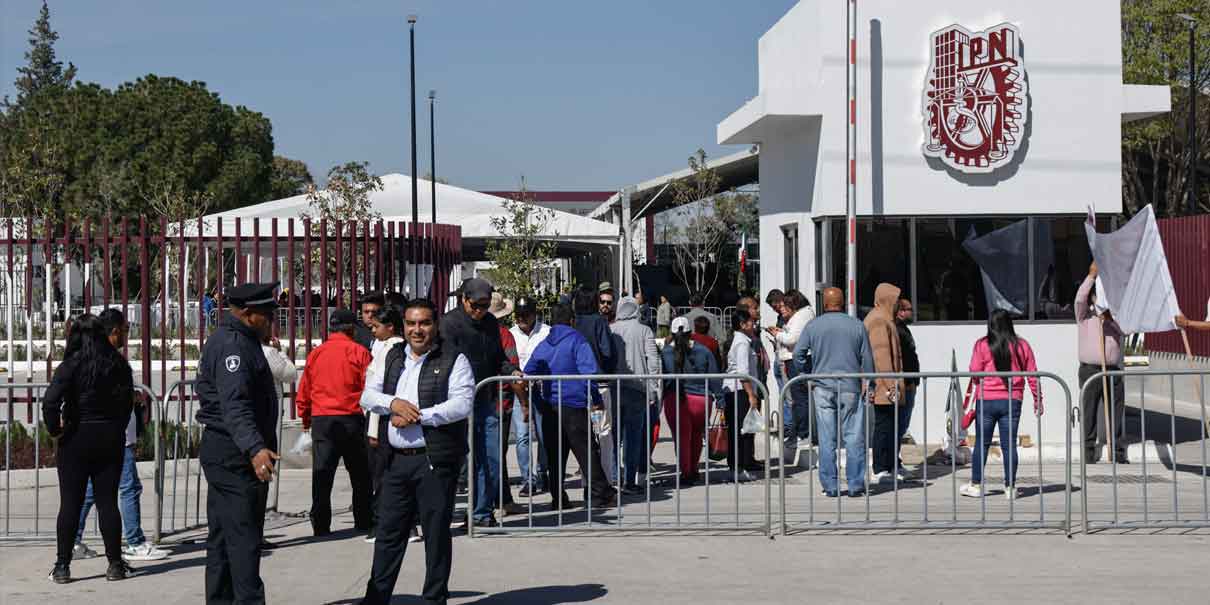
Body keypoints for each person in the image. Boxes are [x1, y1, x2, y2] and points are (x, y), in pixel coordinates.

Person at [359, 299, 474, 605]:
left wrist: (419, 415)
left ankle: (435, 598)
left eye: (423, 323)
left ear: (435, 325)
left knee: (435, 536)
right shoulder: (393, 356)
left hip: (433, 461)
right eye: (411, 323)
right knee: (388, 535)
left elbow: (462, 403)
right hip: (395, 462)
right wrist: (393, 404)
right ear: (404, 326)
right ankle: (376, 598)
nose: (417, 330)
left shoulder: (453, 358)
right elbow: (368, 395)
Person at [195, 282, 283, 604]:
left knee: (222, 538)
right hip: (234, 455)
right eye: (267, 315)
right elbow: (235, 405)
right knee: (244, 541)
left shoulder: (238, 340)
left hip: (225, 451)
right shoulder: (234, 346)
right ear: (248, 314)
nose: (271, 321)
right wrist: (255, 449)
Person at [45, 313, 138, 584]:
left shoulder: (71, 365)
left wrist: (55, 430)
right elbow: (127, 404)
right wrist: (116, 428)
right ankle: (115, 564)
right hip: (109, 438)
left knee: (70, 504)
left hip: (75, 438)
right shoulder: (118, 364)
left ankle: (62, 566)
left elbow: (50, 402)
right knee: (108, 502)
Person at [73, 310, 169, 564]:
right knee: (129, 487)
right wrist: (129, 397)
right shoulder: (109, 360)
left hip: (109, 435)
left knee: (93, 490)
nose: (127, 334)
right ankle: (134, 541)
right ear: (114, 331)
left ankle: (73, 538)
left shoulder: (94, 356)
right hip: (116, 436)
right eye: (125, 329)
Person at [440, 278, 518, 528]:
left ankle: (482, 512)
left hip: (486, 401)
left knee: (490, 458)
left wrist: (512, 370)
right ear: (464, 299)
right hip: (457, 404)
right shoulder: (449, 324)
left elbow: (497, 357)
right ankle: (443, 512)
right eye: (476, 305)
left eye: (485, 306)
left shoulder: (491, 324)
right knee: (457, 462)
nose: (480, 311)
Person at [524, 304, 618, 510]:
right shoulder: (577, 340)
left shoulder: (544, 344)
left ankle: (558, 498)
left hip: (550, 406)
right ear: (572, 320)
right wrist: (595, 398)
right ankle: (599, 494)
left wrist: (539, 398)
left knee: (555, 455)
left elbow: (528, 371)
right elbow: (589, 372)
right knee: (587, 452)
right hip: (574, 405)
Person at [295, 309, 374, 537]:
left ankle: (320, 524)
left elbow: (305, 391)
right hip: (351, 419)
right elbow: (370, 387)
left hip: (322, 420)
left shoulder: (316, 354)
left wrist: (306, 419)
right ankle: (364, 520)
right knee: (360, 474)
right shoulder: (359, 352)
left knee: (322, 474)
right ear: (351, 328)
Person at [792, 288, 873, 497]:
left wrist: (807, 374)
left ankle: (830, 486)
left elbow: (798, 354)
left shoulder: (813, 326)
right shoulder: (857, 325)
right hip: (850, 386)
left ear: (825, 304)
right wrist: (869, 384)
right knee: (854, 437)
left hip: (822, 386)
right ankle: (855, 484)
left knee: (827, 438)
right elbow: (868, 359)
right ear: (843, 302)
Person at [960, 309, 1044, 500]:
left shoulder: (982, 344)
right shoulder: (1022, 345)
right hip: (1012, 401)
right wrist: (1038, 400)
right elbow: (1032, 374)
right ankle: (1010, 488)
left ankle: (976, 485)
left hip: (987, 400)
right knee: (1009, 445)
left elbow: (974, 371)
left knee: (982, 443)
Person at [364, 304, 409, 544]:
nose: (373, 331)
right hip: (386, 416)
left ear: (390, 327)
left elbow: (377, 392)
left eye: (376, 326)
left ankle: (383, 524)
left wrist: (372, 429)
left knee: (383, 475)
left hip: (382, 417)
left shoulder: (391, 350)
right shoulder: (390, 347)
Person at [609, 296, 661, 493]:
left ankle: (614, 477)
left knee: (613, 435)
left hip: (614, 388)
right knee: (633, 436)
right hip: (638, 388)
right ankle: (630, 480)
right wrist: (654, 388)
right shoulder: (645, 330)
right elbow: (653, 362)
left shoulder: (611, 329)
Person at [661, 316, 720, 485]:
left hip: (676, 399)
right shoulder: (704, 350)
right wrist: (720, 399)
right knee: (696, 436)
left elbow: (665, 380)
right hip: (702, 400)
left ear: (671, 333)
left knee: (681, 438)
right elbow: (715, 376)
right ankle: (694, 469)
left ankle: (686, 472)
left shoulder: (666, 352)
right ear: (690, 332)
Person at [1076, 263, 1126, 463]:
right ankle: (1088, 452)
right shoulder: (1084, 316)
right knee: (1088, 412)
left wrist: (1109, 318)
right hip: (1090, 370)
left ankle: (1117, 451)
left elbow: (1126, 329)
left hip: (1112, 370)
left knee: (1115, 411)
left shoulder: (1115, 318)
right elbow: (1080, 298)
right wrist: (1091, 276)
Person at [766, 289, 815, 458]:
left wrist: (777, 334)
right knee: (794, 399)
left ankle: (803, 434)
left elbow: (793, 339)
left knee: (799, 399)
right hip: (790, 359)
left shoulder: (803, 315)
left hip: (795, 359)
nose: (782, 308)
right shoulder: (799, 315)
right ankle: (798, 433)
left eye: (785, 304)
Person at [509, 297, 550, 497]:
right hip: (519, 391)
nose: (521, 319)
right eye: (518, 316)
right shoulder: (511, 334)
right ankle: (528, 479)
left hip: (541, 389)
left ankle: (543, 473)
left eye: (525, 315)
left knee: (543, 435)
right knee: (522, 436)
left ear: (534, 314)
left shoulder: (546, 332)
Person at [864, 283, 905, 484]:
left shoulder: (883, 318)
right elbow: (881, 357)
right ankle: (880, 468)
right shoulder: (879, 321)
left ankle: (888, 466)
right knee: (883, 426)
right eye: (896, 301)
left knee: (889, 426)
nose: (898, 305)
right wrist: (891, 385)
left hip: (886, 385)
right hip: (884, 386)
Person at [724, 309, 762, 481]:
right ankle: (737, 468)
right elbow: (743, 372)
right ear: (742, 324)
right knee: (740, 431)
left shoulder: (743, 341)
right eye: (750, 322)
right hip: (738, 391)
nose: (753, 324)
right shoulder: (742, 343)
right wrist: (751, 394)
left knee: (740, 430)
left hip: (738, 390)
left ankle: (738, 467)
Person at [894, 297, 919, 478]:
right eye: (909, 309)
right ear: (900, 311)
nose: (912, 312)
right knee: (899, 425)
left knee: (902, 425)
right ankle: (894, 462)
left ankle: (896, 461)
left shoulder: (903, 329)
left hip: (910, 382)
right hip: (905, 383)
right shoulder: (897, 330)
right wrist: (908, 382)